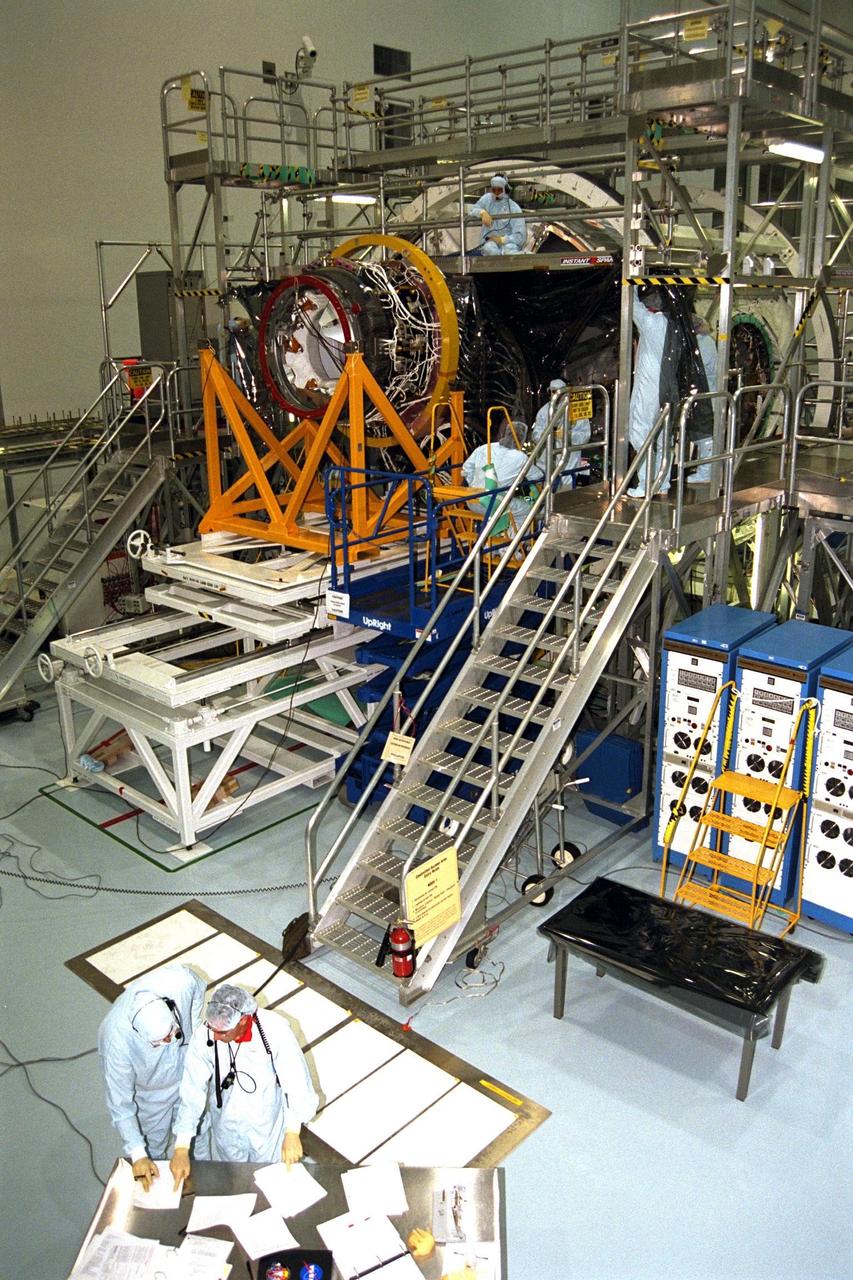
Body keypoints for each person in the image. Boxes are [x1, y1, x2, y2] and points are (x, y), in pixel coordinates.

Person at [169, 983, 318, 1187]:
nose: (215, 1036)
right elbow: (191, 1091)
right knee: (233, 1183)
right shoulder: (205, 1035)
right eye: (213, 1029)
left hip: (265, 1125)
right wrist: (181, 1146)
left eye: (223, 1032)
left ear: (243, 1021)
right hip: (227, 1125)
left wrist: (292, 1132)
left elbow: (297, 1082)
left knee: (271, 1182)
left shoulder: (274, 1031)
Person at [98, 964, 207, 1191]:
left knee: (198, 1132)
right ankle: (156, 1190)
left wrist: (194, 1027)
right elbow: (121, 1105)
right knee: (152, 1147)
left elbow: (198, 987)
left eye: (172, 1033)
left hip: (186, 1069)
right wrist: (138, 1155)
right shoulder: (116, 1042)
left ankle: (202, 1183)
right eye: (161, 1042)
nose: (171, 1042)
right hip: (151, 1093)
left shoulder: (179, 982)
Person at [627, 287, 670, 498]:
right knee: (662, 438)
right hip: (665, 387)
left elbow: (633, 307)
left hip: (649, 387)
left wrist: (631, 283)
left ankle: (645, 484)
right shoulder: (670, 324)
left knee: (640, 432)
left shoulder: (653, 323)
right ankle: (662, 483)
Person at [462, 419, 542, 529]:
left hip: (472, 501)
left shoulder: (485, 448)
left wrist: (475, 486)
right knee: (528, 509)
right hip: (493, 504)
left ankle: (496, 539)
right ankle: (513, 543)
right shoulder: (521, 457)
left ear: (504, 434)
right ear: (522, 440)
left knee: (506, 501)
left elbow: (466, 469)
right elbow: (537, 477)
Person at [531, 378, 591, 486]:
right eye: (553, 392)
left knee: (565, 495)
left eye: (560, 392)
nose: (557, 395)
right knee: (546, 495)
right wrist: (546, 435)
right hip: (545, 465)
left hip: (568, 464)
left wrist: (566, 435)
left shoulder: (576, 409)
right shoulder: (544, 411)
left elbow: (585, 435)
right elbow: (536, 434)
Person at [689, 315, 718, 484]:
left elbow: (698, 368)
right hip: (706, 392)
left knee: (704, 434)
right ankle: (704, 470)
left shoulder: (702, 343)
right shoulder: (706, 341)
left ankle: (706, 472)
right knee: (703, 433)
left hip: (705, 393)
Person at [468, 175, 526, 256]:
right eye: (494, 190)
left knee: (508, 253)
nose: (496, 193)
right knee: (489, 250)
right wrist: (482, 212)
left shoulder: (514, 208)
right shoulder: (487, 199)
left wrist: (502, 240)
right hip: (489, 242)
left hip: (509, 244)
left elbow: (520, 236)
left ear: (505, 190)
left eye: (499, 190)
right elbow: (471, 210)